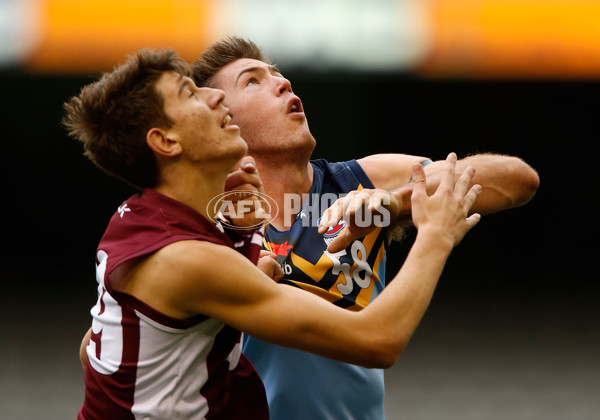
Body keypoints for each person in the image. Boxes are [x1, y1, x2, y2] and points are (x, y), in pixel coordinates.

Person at [65, 48, 483, 420]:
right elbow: (378, 340)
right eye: (191, 95)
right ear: (166, 140)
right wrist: (435, 233)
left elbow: (95, 348)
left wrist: (252, 255)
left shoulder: (156, 218)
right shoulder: (185, 259)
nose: (214, 98)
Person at [191, 36, 540, 419]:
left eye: (279, 75)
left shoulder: (360, 181)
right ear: (222, 121)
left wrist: (396, 202)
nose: (283, 83)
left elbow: (518, 180)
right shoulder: (208, 226)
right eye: (252, 81)